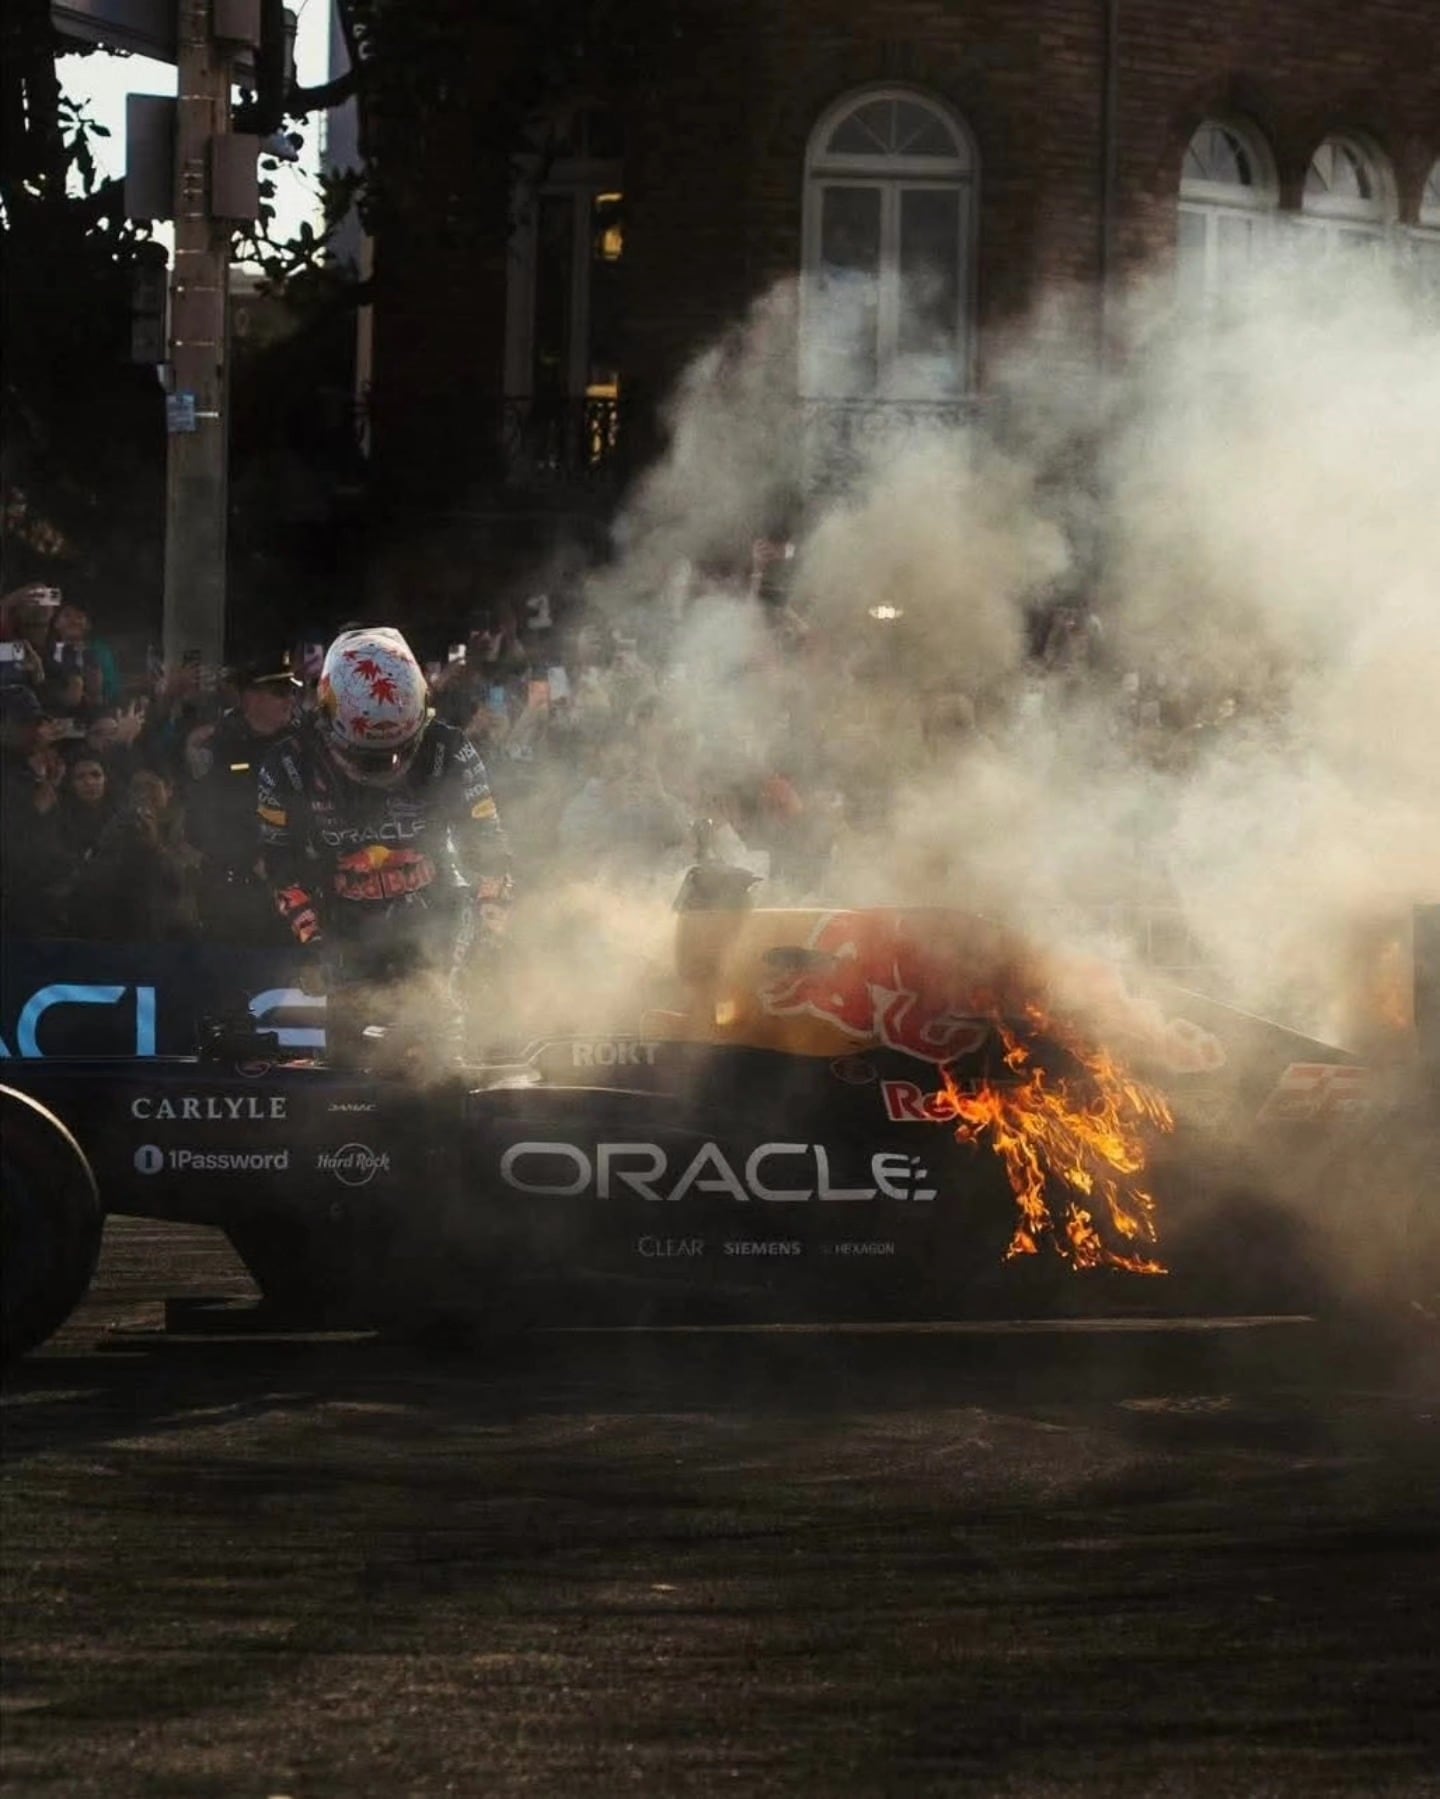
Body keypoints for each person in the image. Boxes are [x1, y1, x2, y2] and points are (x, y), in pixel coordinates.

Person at [256, 627, 512, 1064]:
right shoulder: (288, 765)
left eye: (397, 752)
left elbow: (490, 847)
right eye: (368, 755)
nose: (384, 766)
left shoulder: (447, 749)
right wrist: (314, 941)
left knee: (441, 1054)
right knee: (348, 1069)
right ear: (326, 713)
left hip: (435, 920)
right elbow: (279, 865)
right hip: (344, 928)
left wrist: (490, 929)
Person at [186, 651, 300, 945]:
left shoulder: (303, 747)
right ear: (250, 698)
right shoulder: (220, 746)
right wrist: (250, 857)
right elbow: (201, 824)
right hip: (235, 890)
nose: (289, 700)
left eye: (291, 692)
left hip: (295, 887)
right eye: (278, 693)